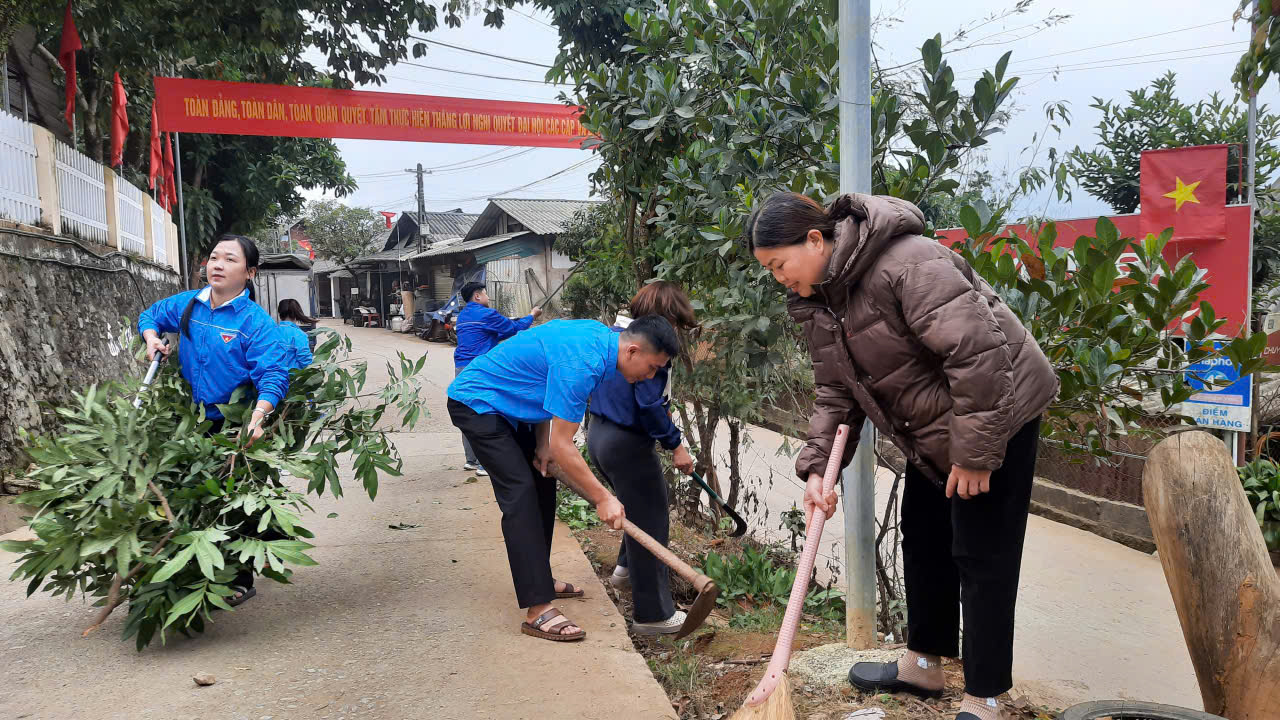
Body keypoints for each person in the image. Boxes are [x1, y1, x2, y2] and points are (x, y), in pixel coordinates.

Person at [746, 193, 1058, 720]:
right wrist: (818, 468)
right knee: (924, 536)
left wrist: (976, 454)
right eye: (769, 270)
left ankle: (985, 695)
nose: (779, 278)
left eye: (779, 264)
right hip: (933, 425)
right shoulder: (824, 301)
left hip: (999, 413)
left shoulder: (907, 261)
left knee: (982, 553)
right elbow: (835, 392)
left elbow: (978, 354)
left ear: (815, 240)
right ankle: (923, 663)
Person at [447, 315, 681, 642]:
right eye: (653, 367)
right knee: (521, 495)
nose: (651, 376)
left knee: (543, 481)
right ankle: (538, 608)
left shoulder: (600, 341)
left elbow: (544, 385)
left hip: (511, 406)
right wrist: (602, 497)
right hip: (478, 404)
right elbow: (564, 444)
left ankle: (539, 577)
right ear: (632, 351)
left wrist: (542, 444)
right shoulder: (583, 363)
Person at [138, 234, 291, 607]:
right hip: (191, 420)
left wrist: (257, 418)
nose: (218, 265)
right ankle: (198, 567)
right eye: (214, 257)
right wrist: (151, 338)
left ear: (250, 272)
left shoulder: (255, 323)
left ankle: (240, 578)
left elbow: (273, 375)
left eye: (230, 259)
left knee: (232, 500)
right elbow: (151, 316)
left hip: (235, 424)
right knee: (193, 493)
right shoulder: (190, 304)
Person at [588, 281, 698, 635]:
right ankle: (653, 615)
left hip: (599, 435)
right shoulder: (651, 351)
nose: (675, 333)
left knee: (636, 508)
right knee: (651, 521)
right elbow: (649, 405)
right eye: (675, 323)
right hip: (628, 444)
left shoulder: (615, 337)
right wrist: (676, 445)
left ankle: (624, 571)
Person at [452, 281, 543, 476]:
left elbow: (496, 331)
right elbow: (513, 328)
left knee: (470, 412)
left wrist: (518, 320)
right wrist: (532, 316)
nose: (488, 297)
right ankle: (486, 465)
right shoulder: (486, 314)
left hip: (461, 368)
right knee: (487, 412)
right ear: (477, 296)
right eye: (485, 293)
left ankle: (471, 460)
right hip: (480, 369)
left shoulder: (464, 316)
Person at [276, 298, 315, 369]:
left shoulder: (270, 332)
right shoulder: (298, 334)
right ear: (297, 313)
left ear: (279, 313)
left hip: (273, 374)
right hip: (293, 375)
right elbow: (305, 360)